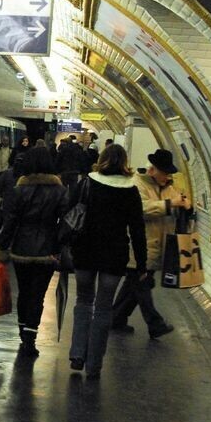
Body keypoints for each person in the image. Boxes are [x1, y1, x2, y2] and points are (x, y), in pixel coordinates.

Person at [67, 144, 147, 378]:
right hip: (114, 256)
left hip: (85, 252)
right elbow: (137, 229)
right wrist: (141, 264)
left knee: (83, 302)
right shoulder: (130, 190)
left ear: (101, 159)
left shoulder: (87, 183)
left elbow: (70, 212)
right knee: (103, 309)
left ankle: (77, 354)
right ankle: (94, 365)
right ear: (124, 163)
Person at [0, 146, 69, 356]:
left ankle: (23, 331)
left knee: (24, 293)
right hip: (47, 251)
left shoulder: (18, 190)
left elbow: (10, 222)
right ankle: (30, 338)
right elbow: (66, 222)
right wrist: (59, 246)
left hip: (21, 250)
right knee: (38, 295)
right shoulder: (59, 191)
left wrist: (2, 247)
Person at [110, 149, 190, 338]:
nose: (167, 177)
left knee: (133, 286)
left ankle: (116, 318)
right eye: (165, 173)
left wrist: (186, 205)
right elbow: (142, 209)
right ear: (153, 170)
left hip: (158, 247)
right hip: (138, 247)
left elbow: (177, 203)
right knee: (142, 285)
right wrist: (171, 204)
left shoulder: (170, 186)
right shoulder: (137, 184)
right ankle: (155, 324)